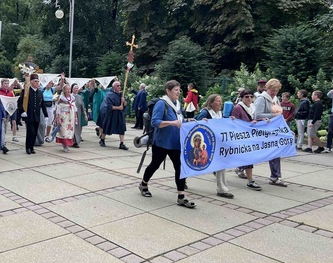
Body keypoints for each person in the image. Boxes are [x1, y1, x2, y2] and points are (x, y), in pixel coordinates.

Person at [138, 80, 195, 208]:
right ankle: (143, 184)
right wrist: (171, 123)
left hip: (176, 143)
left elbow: (181, 121)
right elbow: (155, 122)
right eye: (176, 90)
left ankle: (181, 196)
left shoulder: (178, 105)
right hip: (162, 142)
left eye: (179, 90)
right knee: (155, 165)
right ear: (168, 91)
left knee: (179, 168)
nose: (178, 93)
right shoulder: (161, 104)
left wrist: (189, 120)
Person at [196, 94, 234, 198]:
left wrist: (229, 120)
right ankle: (183, 178)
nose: (220, 103)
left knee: (221, 164)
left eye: (221, 101)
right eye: (218, 101)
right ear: (211, 103)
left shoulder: (219, 113)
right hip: (206, 144)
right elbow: (195, 124)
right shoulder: (205, 112)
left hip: (217, 143)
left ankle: (222, 189)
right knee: (196, 163)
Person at [254, 78, 287, 187]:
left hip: (274, 130)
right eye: (272, 90)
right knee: (255, 152)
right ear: (267, 88)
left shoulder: (276, 99)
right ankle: (241, 167)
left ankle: (275, 177)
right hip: (263, 130)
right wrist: (273, 116)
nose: (274, 92)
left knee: (275, 153)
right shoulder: (261, 99)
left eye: (277, 90)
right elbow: (257, 115)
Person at [231, 89, 262, 190]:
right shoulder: (238, 108)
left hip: (249, 137)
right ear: (241, 98)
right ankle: (218, 169)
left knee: (249, 158)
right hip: (240, 137)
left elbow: (253, 119)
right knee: (233, 157)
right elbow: (233, 123)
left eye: (251, 96)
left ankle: (250, 180)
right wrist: (247, 125)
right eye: (246, 97)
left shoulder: (253, 107)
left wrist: (260, 121)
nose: (249, 99)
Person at [18, 73, 47, 155]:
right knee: (31, 132)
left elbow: (42, 104)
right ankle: (28, 147)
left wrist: (46, 115)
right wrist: (22, 111)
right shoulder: (26, 91)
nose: (37, 83)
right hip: (28, 115)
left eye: (38, 81)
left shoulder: (40, 92)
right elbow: (20, 102)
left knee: (35, 132)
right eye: (35, 81)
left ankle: (32, 147)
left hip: (37, 115)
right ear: (31, 82)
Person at [97, 81, 128, 150]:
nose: (119, 87)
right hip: (111, 114)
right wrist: (118, 108)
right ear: (114, 87)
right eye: (117, 86)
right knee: (107, 127)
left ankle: (122, 143)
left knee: (122, 128)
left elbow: (124, 106)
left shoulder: (121, 95)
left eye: (120, 85)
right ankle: (102, 139)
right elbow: (109, 106)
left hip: (119, 114)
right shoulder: (110, 95)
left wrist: (124, 102)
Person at [0, 78, 19, 148]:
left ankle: (7, 137)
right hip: (1, 112)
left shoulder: (10, 92)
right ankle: (2, 140)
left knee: (10, 123)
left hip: (9, 110)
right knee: (2, 126)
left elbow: (12, 101)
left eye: (7, 83)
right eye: (5, 83)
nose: (6, 85)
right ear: (1, 84)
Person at [55, 84, 76, 152]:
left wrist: (76, 118)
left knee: (69, 132)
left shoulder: (72, 98)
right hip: (64, 117)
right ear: (64, 90)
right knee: (64, 132)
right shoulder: (61, 98)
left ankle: (67, 145)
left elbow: (75, 108)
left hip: (71, 117)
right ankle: (65, 146)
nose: (68, 91)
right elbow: (58, 109)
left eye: (69, 89)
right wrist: (58, 118)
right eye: (67, 89)